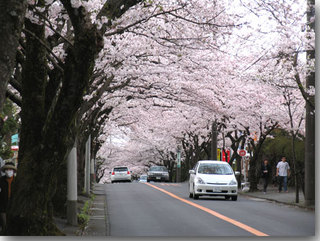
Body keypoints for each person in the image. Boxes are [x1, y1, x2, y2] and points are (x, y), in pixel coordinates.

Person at [0, 161, 17, 233]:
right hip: (2, 205)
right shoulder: (1, 180)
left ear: (13, 171)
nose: (8, 171)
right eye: (7, 169)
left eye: (10, 169)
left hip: (14, 205)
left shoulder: (17, 180)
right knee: (4, 224)